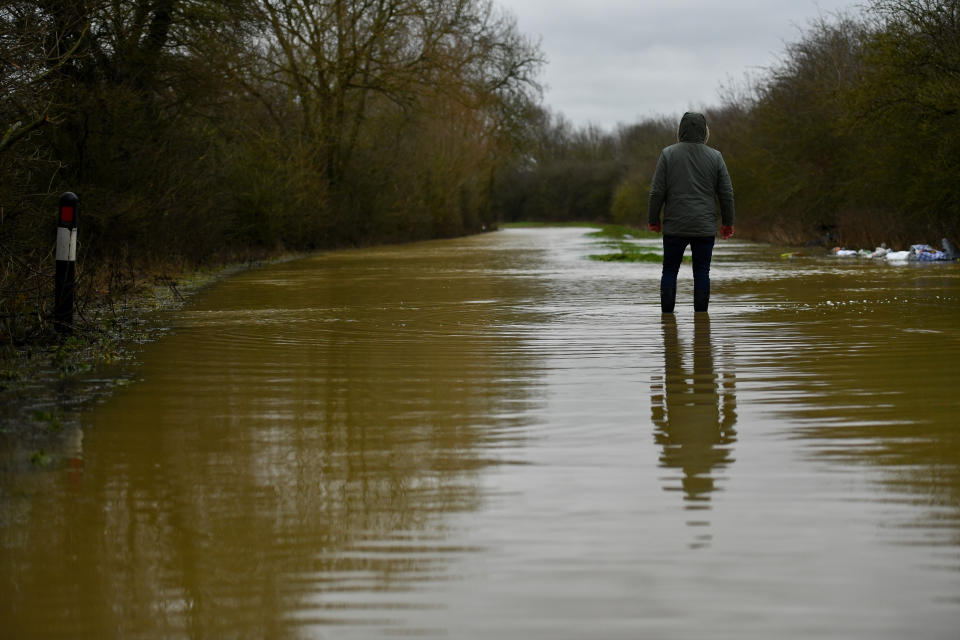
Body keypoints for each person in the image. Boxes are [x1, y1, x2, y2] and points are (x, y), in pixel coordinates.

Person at [647, 112, 735, 313]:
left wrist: (653, 219)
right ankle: (701, 322)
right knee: (702, 273)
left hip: (674, 226)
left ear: (681, 130)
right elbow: (726, 193)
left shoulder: (668, 154)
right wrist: (728, 222)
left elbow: (657, 191)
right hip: (704, 227)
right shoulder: (716, 157)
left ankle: (667, 321)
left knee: (669, 271)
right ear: (705, 131)